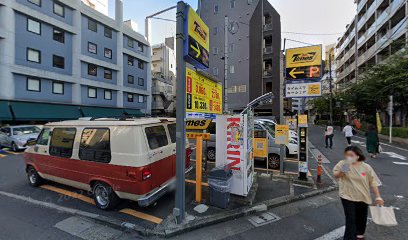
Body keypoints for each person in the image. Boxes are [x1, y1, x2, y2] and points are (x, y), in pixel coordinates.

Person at [333, 146, 384, 240]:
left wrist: (378, 197)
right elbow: (336, 175)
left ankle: (359, 235)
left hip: (363, 197)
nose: (348, 157)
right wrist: (344, 168)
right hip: (347, 196)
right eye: (347, 155)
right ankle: (349, 238)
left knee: (361, 218)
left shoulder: (366, 167)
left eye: (351, 155)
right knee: (350, 220)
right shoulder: (342, 163)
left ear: (357, 156)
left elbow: (373, 182)